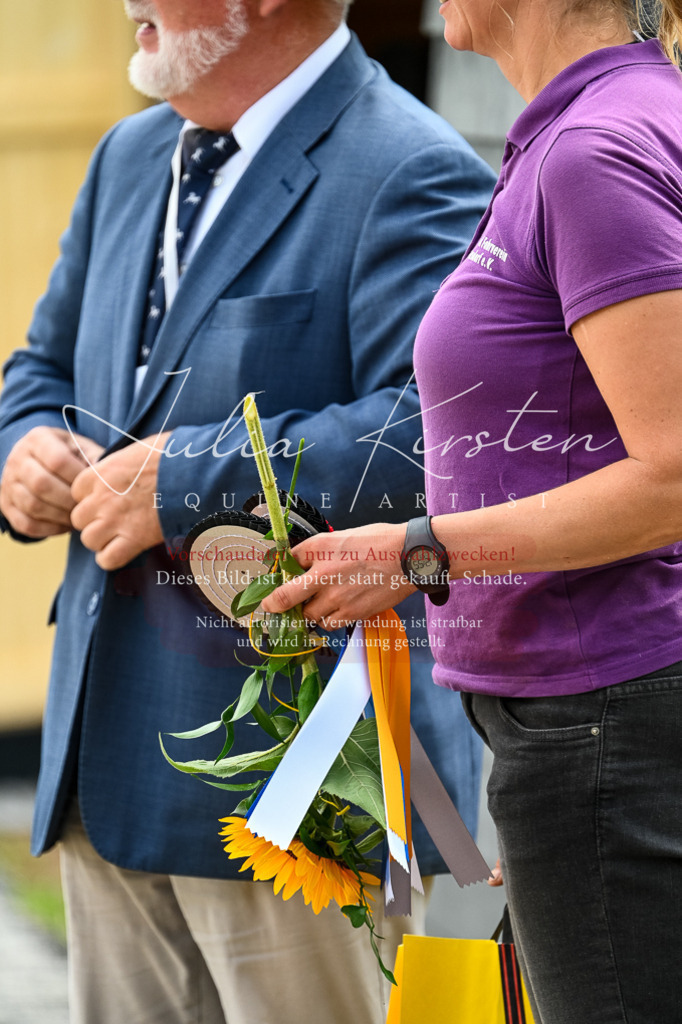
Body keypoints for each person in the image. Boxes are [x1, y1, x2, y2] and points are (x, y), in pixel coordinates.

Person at [0, 2, 496, 1022]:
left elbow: (435, 433)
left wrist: (182, 481)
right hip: (100, 761)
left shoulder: (413, 166)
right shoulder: (128, 155)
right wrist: (25, 450)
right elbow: (42, 368)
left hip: (301, 785)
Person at [264, 2, 682, 1023]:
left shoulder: (593, 150)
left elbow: (671, 476)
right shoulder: (604, 120)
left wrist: (417, 553)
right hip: (600, 715)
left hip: (605, 713)